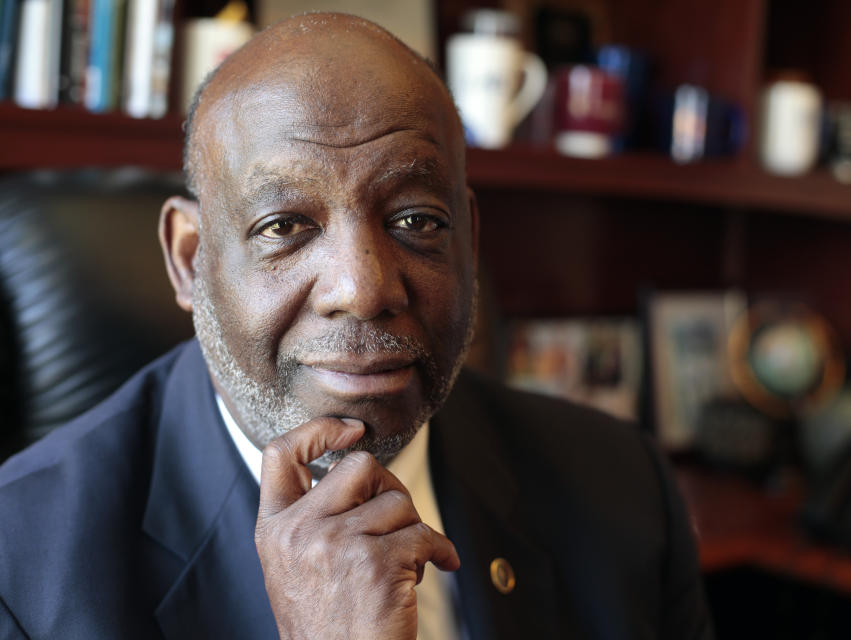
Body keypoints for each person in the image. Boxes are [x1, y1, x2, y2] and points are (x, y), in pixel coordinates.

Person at [0, 13, 712, 640]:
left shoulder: (623, 489)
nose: (363, 290)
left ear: (467, 240)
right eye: (283, 226)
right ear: (190, 261)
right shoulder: (22, 571)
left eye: (416, 221)